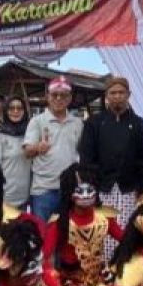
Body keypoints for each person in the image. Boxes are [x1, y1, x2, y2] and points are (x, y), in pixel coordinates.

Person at [77, 76, 143, 256]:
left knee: (126, 229)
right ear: (106, 96)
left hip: (129, 189)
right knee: (102, 229)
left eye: (121, 92)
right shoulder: (94, 123)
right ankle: (102, 272)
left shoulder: (139, 124)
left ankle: (124, 269)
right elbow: (86, 159)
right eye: (113, 93)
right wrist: (91, 187)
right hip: (102, 188)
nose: (117, 96)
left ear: (128, 95)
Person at [23, 77, 84, 222]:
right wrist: (38, 147)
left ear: (69, 98)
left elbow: (82, 153)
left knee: (67, 236)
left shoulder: (78, 123)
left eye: (63, 95)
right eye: (54, 95)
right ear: (47, 97)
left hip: (70, 189)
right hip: (44, 190)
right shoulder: (37, 121)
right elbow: (26, 152)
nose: (58, 98)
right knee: (42, 235)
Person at [0, 95, 31, 209]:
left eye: (19, 108)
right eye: (11, 108)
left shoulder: (30, 135)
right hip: (4, 199)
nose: (15, 111)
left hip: (26, 198)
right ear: (5, 111)